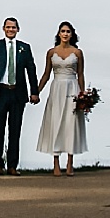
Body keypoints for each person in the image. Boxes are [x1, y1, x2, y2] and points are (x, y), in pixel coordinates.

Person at [0, 17, 39, 175]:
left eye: (13, 27)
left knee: (15, 130)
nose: (11, 30)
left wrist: (34, 92)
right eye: (8, 27)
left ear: (18, 29)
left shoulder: (24, 48)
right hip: (0, 92)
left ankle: (13, 165)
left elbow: (31, 70)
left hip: (18, 92)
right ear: (3, 28)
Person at [34, 21, 88, 176]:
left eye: (68, 31)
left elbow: (81, 74)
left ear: (72, 34)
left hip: (72, 88)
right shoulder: (51, 52)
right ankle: (56, 163)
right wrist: (36, 91)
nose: (65, 34)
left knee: (70, 123)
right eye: (63, 31)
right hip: (56, 88)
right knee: (56, 122)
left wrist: (83, 95)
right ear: (58, 34)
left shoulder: (77, 53)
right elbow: (46, 74)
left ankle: (70, 163)